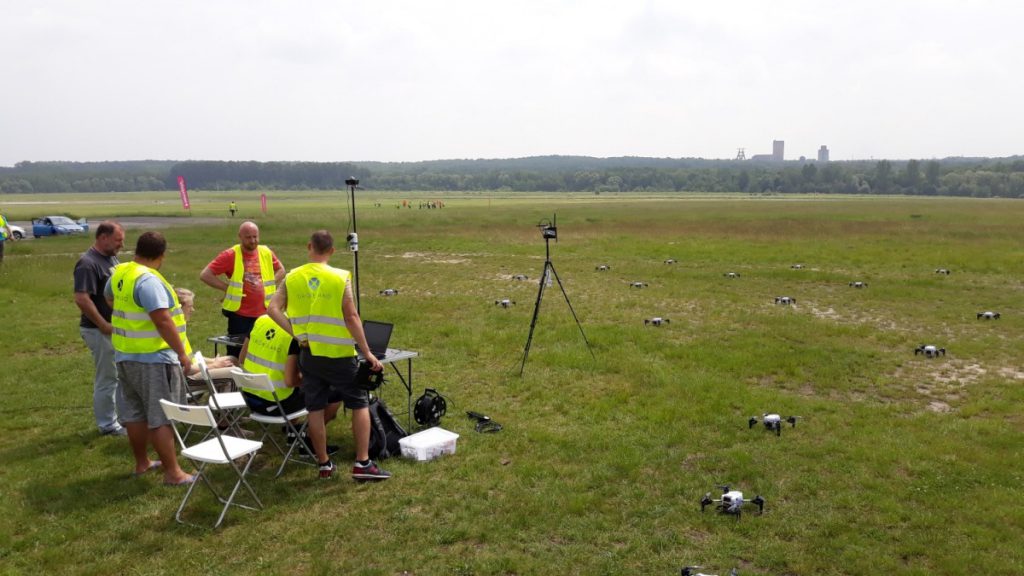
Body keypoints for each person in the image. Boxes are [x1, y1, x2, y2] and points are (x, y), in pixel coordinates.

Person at [267, 230, 388, 481]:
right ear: (332, 251)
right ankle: (362, 463)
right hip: (339, 354)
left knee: (315, 408)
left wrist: (295, 332)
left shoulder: (292, 277)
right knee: (359, 402)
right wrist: (366, 352)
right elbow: (351, 317)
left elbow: (272, 309)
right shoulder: (340, 277)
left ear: (309, 246)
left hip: (308, 354)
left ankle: (324, 464)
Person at [105, 231, 194, 485]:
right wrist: (181, 353)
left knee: (134, 412)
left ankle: (142, 463)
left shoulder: (121, 272)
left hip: (124, 354)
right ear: (161, 255)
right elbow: (163, 321)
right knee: (160, 416)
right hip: (152, 358)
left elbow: (109, 297)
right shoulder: (149, 281)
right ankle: (173, 473)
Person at [237, 314, 340, 455]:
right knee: (335, 393)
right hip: (277, 405)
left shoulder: (261, 320)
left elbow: (242, 358)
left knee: (298, 389)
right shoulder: (294, 333)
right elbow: (290, 381)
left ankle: (293, 431)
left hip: (251, 401)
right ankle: (310, 440)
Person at [199, 221, 285, 357]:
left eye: (255, 237)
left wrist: (269, 282)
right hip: (240, 316)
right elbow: (205, 275)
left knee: (262, 351)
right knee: (236, 354)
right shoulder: (230, 255)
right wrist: (227, 288)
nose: (253, 240)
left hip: (264, 314)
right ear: (240, 237)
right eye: (248, 237)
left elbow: (281, 269)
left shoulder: (266, 252)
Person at [73, 221, 126, 436]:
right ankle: (108, 425)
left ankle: (121, 418)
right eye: (117, 240)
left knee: (120, 375)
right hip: (99, 330)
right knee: (107, 377)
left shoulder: (110, 258)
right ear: (103, 237)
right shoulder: (88, 263)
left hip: (114, 328)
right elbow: (82, 298)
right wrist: (103, 324)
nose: (121, 245)